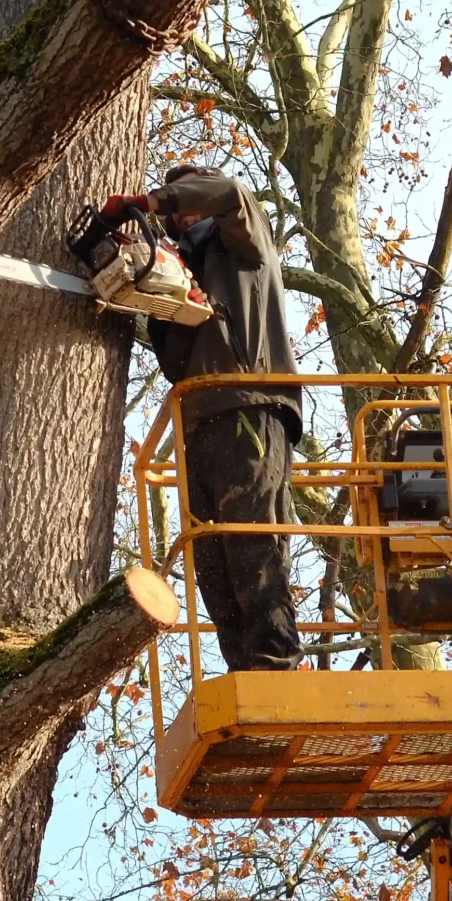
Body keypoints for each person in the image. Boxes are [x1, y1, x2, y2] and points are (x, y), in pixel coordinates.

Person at [100, 166, 304, 672]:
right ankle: (245, 670)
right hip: (199, 422)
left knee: (251, 537)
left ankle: (276, 664)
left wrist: (150, 200)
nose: (183, 210)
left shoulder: (242, 243)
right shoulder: (185, 264)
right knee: (211, 559)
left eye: (188, 194)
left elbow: (231, 193)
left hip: (248, 407)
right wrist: (161, 295)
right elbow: (173, 362)